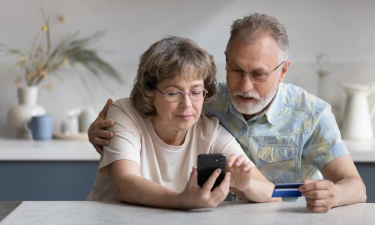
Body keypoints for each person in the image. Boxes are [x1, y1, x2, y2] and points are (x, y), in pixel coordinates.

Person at [89, 13, 367, 212]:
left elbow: (355, 186)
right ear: (226, 61)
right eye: (236, 70)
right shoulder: (208, 101)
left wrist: (334, 194)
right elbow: (142, 107)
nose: (244, 86)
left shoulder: (311, 114)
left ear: (283, 70)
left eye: (258, 74)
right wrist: (98, 133)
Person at [87, 36, 280, 209]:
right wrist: (182, 200)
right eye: (173, 93)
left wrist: (245, 184)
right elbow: (125, 184)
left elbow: (273, 195)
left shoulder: (209, 131)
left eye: (196, 92)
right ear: (150, 92)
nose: (187, 104)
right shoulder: (124, 113)